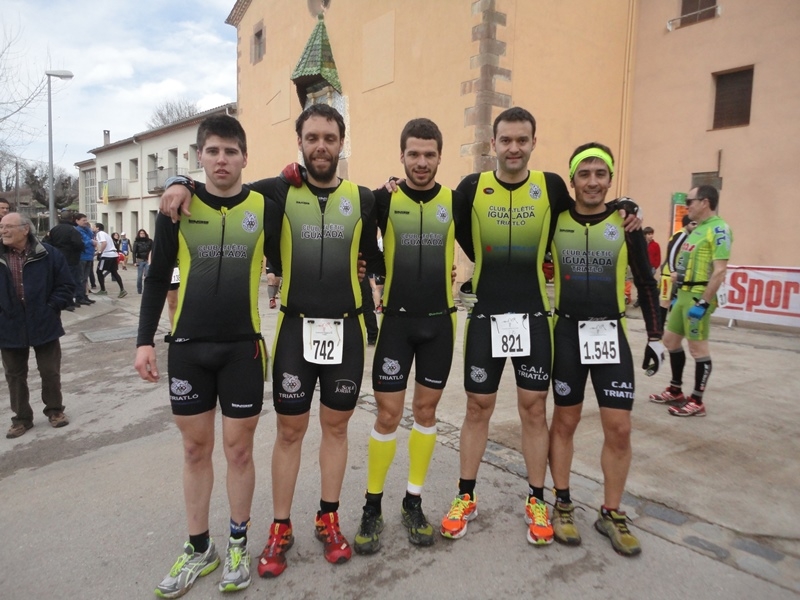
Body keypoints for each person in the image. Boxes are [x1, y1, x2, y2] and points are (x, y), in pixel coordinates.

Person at [160, 104, 381, 577]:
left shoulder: (364, 199)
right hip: (295, 332)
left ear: (342, 143)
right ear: (299, 142)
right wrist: (178, 179)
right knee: (289, 432)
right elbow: (221, 188)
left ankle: (329, 517)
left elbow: (371, 257)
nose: (321, 145)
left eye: (330, 137)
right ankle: (280, 526)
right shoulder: (275, 193)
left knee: (337, 430)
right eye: (312, 137)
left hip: (346, 331)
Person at [440, 107, 640, 546]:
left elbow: (592, 207)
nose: (514, 148)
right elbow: (443, 214)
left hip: (532, 316)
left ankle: (536, 499)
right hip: (488, 314)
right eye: (506, 140)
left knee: (534, 408)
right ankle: (465, 496)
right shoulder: (472, 188)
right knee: (478, 407)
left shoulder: (550, 187)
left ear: (533, 143)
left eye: (522, 140)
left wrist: (626, 206)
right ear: (493, 144)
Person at [135, 115, 267, 597]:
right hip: (188, 347)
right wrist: (144, 340)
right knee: (194, 450)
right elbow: (156, 276)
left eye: (231, 151)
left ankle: (237, 541)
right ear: (200, 157)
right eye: (213, 151)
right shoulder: (177, 209)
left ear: (245, 157)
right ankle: (198, 547)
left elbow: (302, 180)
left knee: (238, 450)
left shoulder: (263, 204)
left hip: (242, 349)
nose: (222, 159)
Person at [548, 143, 663, 557]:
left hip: (609, 334)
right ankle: (561, 503)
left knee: (620, 428)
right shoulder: (556, 219)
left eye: (601, 173)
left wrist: (654, 336)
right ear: (573, 178)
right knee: (565, 422)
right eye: (585, 173)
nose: (593, 181)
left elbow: (647, 283)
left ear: (609, 178)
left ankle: (611, 512)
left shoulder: (625, 223)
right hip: (566, 333)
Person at [353, 118, 461, 554]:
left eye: (429, 154)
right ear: (402, 156)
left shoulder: (456, 200)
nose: (421, 162)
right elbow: (360, 242)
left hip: (439, 323)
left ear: (439, 156)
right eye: (413, 154)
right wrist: (374, 269)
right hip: (396, 323)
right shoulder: (383, 198)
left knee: (427, 411)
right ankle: (372, 506)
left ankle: (412, 501)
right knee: (387, 415)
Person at [649, 185, 732, 417]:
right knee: (670, 341)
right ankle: (676, 390)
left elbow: (719, 271)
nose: (688, 205)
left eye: (690, 201)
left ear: (705, 202)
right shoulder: (696, 229)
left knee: (698, 349)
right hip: (683, 294)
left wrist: (704, 303)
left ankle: (697, 400)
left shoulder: (718, 229)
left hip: (698, 297)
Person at [1, 213, 73, 438]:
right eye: (1, 226)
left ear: (25, 230)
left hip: (44, 322)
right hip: (8, 325)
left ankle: (55, 410)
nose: (3, 230)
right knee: (14, 374)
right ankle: (21, 418)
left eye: (8, 226)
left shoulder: (49, 255)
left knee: (50, 371)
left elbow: (66, 285)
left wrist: (51, 307)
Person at [656, 215, 697, 328]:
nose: (695, 226)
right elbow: (672, 251)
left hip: (674, 273)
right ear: (686, 224)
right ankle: (658, 328)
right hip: (668, 274)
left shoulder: (687, 235)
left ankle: (664, 327)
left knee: (669, 301)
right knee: (665, 302)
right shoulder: (682, 234)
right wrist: (672, 270)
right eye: (693, 224)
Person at [47, 210, 86, 310]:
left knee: (60, 281)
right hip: (71, 259)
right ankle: (71, 302)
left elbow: (47, 242)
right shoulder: (73, 230)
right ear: (71, 218)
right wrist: (80, 249)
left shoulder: (54, 229)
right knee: (72, 280)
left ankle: (65, 301)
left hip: (57, 258)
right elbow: (78, 244)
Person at [95, 224, 127, 298]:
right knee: (114, 272)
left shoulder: (100, 233)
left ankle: (103, 290)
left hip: (107, 255)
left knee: (99, 271)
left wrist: (100, 252)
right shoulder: (105, 234)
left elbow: (104, 243)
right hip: (113, 255)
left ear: (97, 228)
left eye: (94, 226)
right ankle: (122, 289)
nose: (92, 228)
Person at [74, 213, 97, 305]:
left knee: (85, 278)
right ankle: (79, 296)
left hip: (89, 256)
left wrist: (91, 230)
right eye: (83, 220)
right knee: (80, 278)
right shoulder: (77, 231)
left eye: (86, 220)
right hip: (82, 256)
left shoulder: (87, 230)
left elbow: (91, 236)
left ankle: (84, 295)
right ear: (77, 221)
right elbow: (83, 241)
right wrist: (91, 241)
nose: (85, 222)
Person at [132, 229, 153, 294]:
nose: (142, 234)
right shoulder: (136, 242)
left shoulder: (150, 241)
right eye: (141, 233)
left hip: (148, 260)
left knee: (147, 275)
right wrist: (134, 262)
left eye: (143, 233)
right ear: (139, 234)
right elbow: (134, 252)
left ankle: (147, 289)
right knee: (139, 276)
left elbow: (153, 250)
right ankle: (139, 289)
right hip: (140, 260)